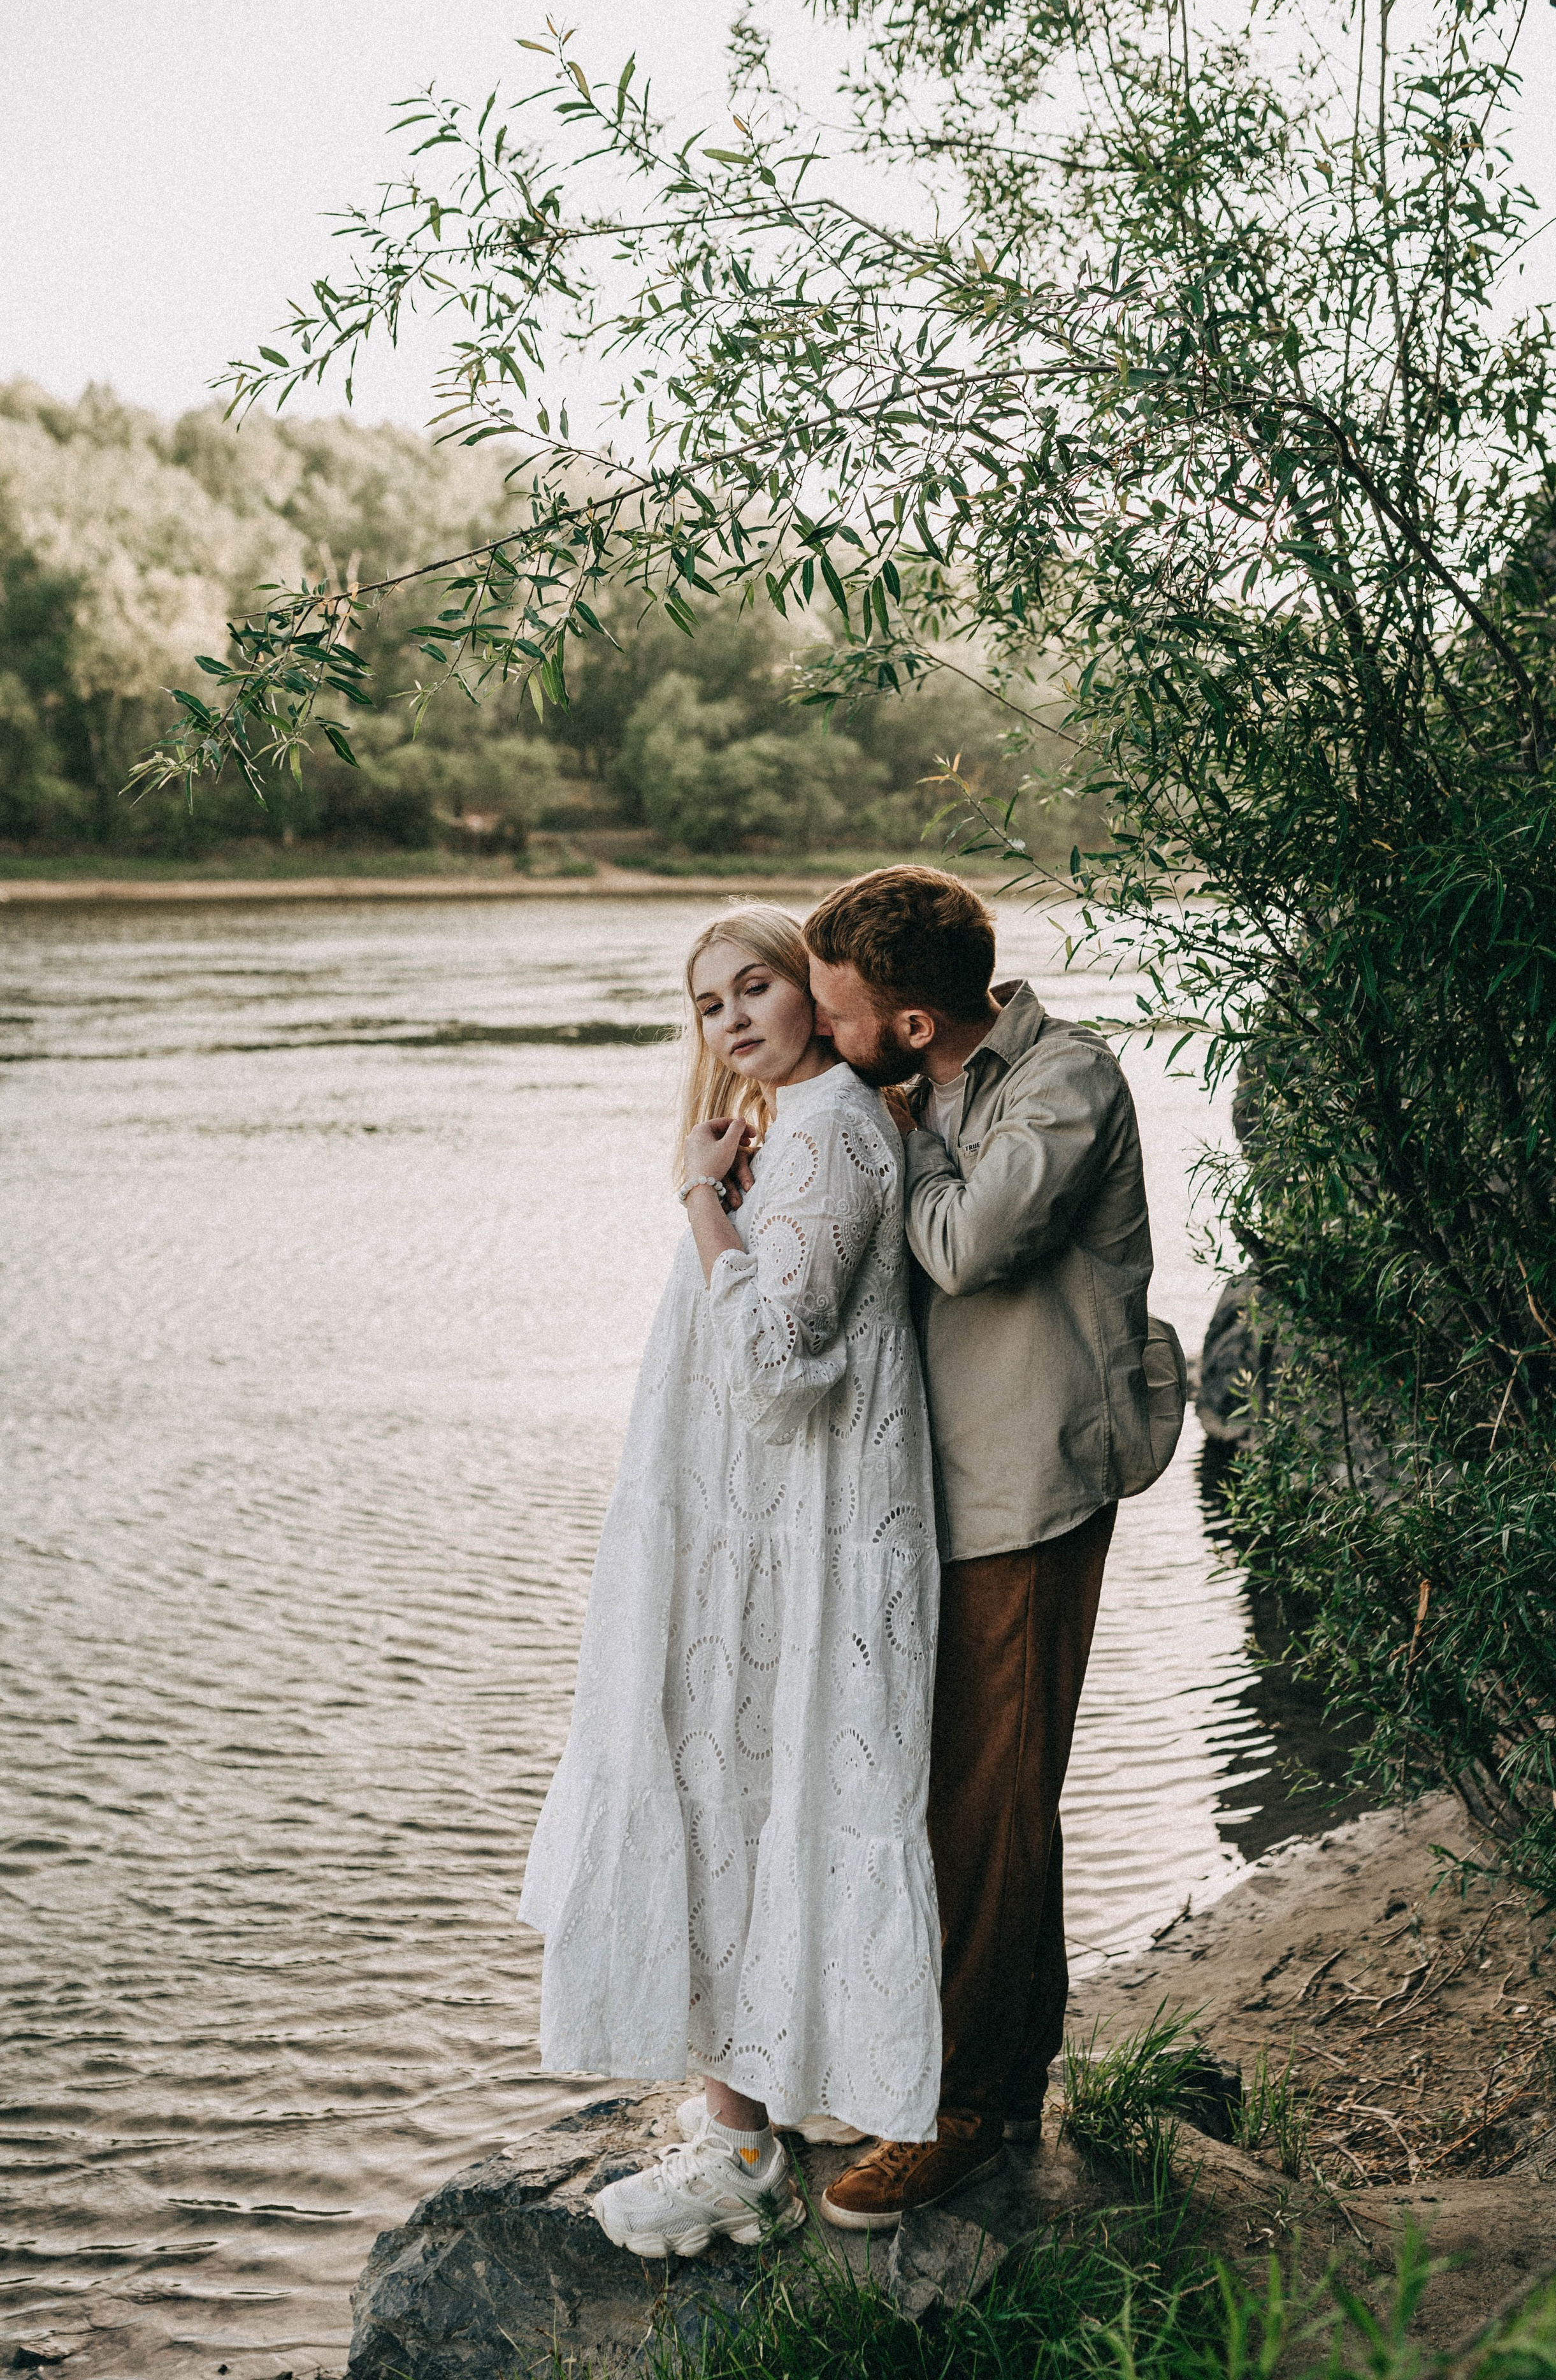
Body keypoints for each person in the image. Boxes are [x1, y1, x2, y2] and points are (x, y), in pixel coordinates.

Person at [517, 904, 942, 2260]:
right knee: (737, 1791)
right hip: (755, 1534)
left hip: (799, 1537)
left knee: (754, 1790)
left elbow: (778, 1358)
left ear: (812, 994)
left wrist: (699, 1198)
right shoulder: (793, 1126)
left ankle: (744, 2147)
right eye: (707, 1005)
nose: (732, 1019)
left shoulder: (824, 1133)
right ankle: (744, 2120)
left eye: (753, 986)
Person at [799, 865, 1156, 2231]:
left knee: (989, 1805)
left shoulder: (1064, 1082)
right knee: (978, 1799)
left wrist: (898, 1139)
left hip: (1029, 1491)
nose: (828, 1033)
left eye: (839, 1012)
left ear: (907, 1026)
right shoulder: (920, 1084)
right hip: (944, 1495)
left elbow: (962, 1246)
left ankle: (964, 2114)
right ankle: (996, 2087)